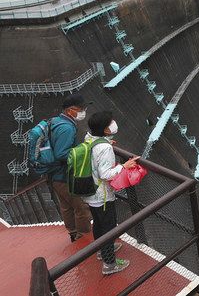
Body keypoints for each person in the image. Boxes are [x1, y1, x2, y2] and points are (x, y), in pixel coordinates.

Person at [84, 111, 138, 275]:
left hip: (90, 193)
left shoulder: (89, 138)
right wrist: (124, 166)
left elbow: (95, 154)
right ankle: (110, 264)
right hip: (102, 196)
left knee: (99, 224)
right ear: (106, 130)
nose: (113, 123)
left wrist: (106, 142)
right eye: (110, 122)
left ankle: (102, 251)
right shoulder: (105, 148)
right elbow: (105, 174)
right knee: (108, 228)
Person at [48, 94, 93, 243]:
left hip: (54, 174)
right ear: (70, 110)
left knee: (66, 206)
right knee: (82, 208)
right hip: (64, 176)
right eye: (81, 109)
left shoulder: (57, 121)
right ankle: (86, 239)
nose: (83, 111)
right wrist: (84, 148)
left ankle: (74, 234)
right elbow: (61, 154)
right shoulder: (67, 128)